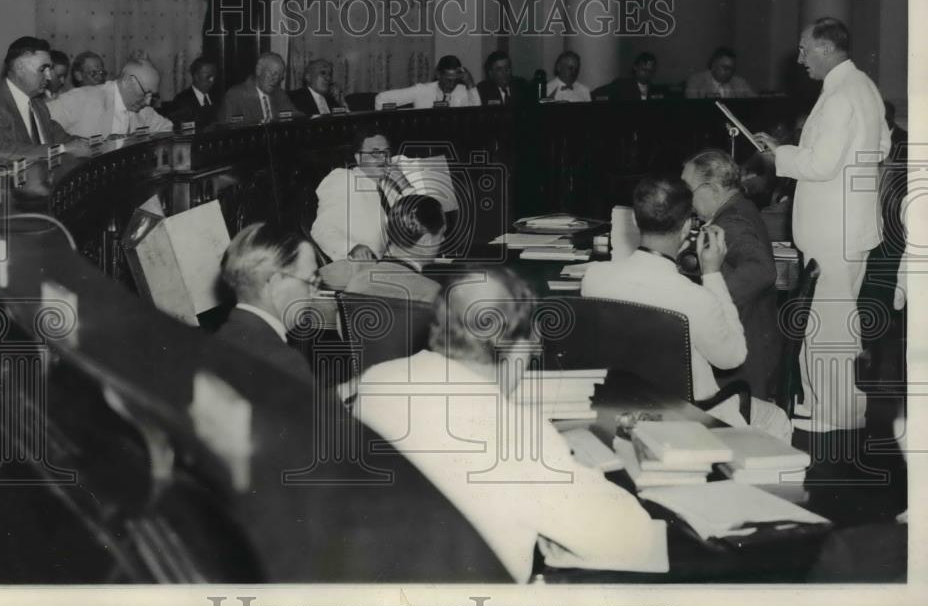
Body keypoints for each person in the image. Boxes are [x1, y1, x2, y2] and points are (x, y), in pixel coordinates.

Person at [351, 267, 668, 583]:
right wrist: (582, 474)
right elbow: (632, 539)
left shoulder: (377, 380)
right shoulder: (520, 434)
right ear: (518, 344)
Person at [756, 17, 891, 432]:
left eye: (804, 50)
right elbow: (882, 145)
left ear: (827, 49)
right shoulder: (863, 87)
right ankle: (834, 408)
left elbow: (820, 163)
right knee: (836, 323)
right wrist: (790, 150)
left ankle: (832, 416)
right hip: (851, 226)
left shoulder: (837, 97)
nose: (799, 59)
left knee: (827, 326)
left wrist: (778, 157)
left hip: (834, 232)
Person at [580, 175, 791, 440]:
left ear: (634, 219)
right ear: (686, 228)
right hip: (690, 414)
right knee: (777, 419)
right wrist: (712, 275)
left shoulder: (594, 279)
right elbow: (732, 357)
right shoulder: (695, 298)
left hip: (619, 408)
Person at [681, 150, 780, 400]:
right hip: (757, 340)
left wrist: (712, 304)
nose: (685, 201)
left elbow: (762, 271)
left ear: (713, 190)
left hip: (745, 363)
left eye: (687, 191)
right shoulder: (741, 208)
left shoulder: (732, 221)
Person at [216, 222, 319, 383]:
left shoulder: (221, 339)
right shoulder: (283, 361)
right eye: (311, 281)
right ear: (275, 284)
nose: (315, 293)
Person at [0, 36, 90, 164]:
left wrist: (90, 144)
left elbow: (62, 138)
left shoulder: (37, 104)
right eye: (43, 69)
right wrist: (61, 150)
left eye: (50, 69)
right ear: (20, 68)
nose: (49, 76)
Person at [310, 126, 414, 262]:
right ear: (358, 158)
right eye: (375, 153)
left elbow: (422, 221)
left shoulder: (390, 189)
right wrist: (352, 248)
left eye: (386, 153)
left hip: (392, 267)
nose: (383, 158)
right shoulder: (344, 179)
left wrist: (404, 185)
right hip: (356, 267)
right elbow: (321, 229)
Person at [319, 194, 445, 304]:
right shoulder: (433, 294)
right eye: (441, 233)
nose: (443, 239)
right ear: (426, 241)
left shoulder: (356, 283)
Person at [47, 55, 174, 138]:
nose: (148, 101)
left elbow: (167, 129)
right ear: (127, 82)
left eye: (152, 95)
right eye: (145, 92)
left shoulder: (143, 109)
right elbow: (40, 125)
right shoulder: (81, 98)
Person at [374, 55, 480, 109]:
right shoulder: (421, 90)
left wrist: (470, 84)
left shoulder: (463, 91)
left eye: (455, 80)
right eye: (448, 80)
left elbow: (477, 115)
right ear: (438, 75)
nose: (452, 85)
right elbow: (381, 99)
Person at [217, 52, 297, 124]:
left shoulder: (280, 94)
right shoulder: (235, 96)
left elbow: (298, 117)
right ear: (259, 70)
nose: (275, 80)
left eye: (279, 77)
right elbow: (228, 131)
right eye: (273, 74)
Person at [165, 56, 219, 129]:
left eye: (214, 77)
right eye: (208, 77)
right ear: (196, 76)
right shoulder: (181, 100)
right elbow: (179, 130)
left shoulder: (217, 96)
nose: (212, 80)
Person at [684, 47, 756, 99]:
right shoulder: (696, 81)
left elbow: (756, 102)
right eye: (725, 68)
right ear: (713, 65)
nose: (729, 73)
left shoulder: (740, 83)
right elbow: (692, 107)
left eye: (732, 70)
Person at [593, 52, 663, 101]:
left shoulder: (656, 90)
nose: (647, 74)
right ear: (635, 67)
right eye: (644, 70)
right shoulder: (621, 85)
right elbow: (596, 94)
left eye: (650, 71)